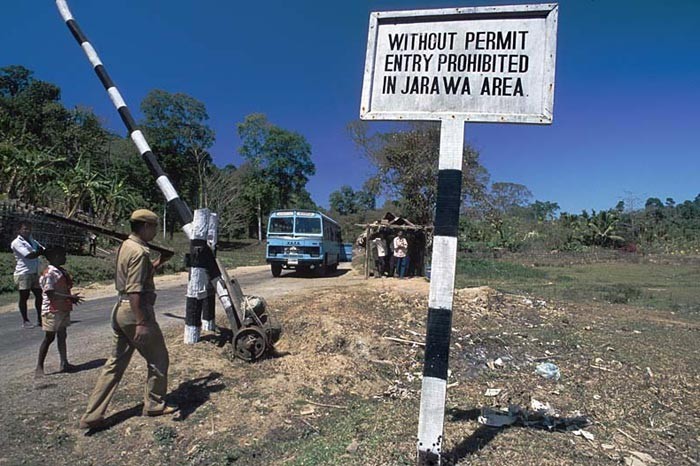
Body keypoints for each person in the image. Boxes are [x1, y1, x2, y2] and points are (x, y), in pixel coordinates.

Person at [79, 209, 175, 429]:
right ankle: (154, 404)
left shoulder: (126, 246)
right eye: (154, 227)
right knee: (159, 359)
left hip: (120, 309)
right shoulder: (140, 252)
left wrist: (159, 262)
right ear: (145, 226)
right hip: (135, 311)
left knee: (114, 364)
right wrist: (141, 322)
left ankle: (93, 414)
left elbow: (139, 276)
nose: (155, 231)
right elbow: (136, 290)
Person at [35, 246, 83, 377]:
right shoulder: (49, 273)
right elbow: (50, 293)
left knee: (62, 334)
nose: (65, 258)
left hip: (61, 308)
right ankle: (39, 366)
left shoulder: (59, 271)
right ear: (56, 257)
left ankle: (64, 362)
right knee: (49, 337)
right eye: (63, 255)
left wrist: (70, 298)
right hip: (51, 310)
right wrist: (70, 297)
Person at [11, 221, 45, 328]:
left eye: (29, 229)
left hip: (35, 272)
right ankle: (25, 320)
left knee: (39, 296)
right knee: (24, 297)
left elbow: (42, 249)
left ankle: (40, 319)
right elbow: (28, 255)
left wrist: (41, 251)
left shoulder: (32, 240)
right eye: (25, 229)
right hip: (23, 273)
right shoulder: (16, 242)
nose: (27, 231)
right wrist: (39, 252)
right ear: (19, 230)